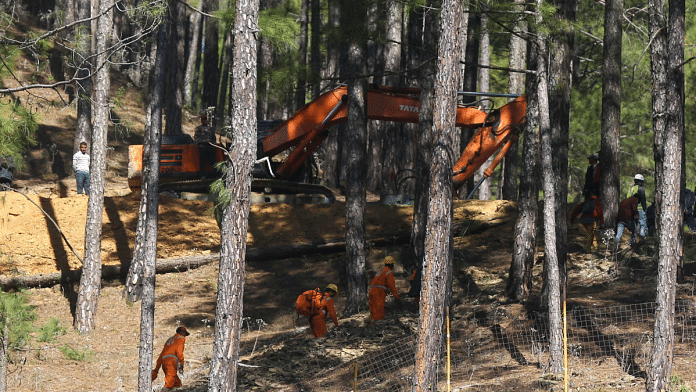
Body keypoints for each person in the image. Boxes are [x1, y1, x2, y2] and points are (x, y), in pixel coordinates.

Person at [152, 326, 190, 391]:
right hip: (171, 362)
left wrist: (157, 368)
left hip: (164, 362)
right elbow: (179, 352)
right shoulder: (181, 338)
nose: (185, 336)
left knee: (177, 383)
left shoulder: (170, 339)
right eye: (184, 334)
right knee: (169, 384)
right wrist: (181, 364)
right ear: (182, 332)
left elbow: (162, 353)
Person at [368, 256, 400, 323]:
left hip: (371, 290)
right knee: (379, 307)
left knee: (373, 307)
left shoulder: (381, 271)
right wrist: (396, 297)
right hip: (379, 292)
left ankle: (372, 324)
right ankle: (379, 324)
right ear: (391, 264)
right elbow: (392, 286)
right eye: (393, 264)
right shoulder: (388, 272)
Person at [626, 174, 647, 239]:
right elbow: (643, 200)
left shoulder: (630, 189)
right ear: (641, 181)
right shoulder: (640, 189)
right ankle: (642, 238)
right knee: (642, 224)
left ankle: (632, 239)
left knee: (634, 225)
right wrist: (645, 209)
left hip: (631, 210)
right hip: (639, 209)